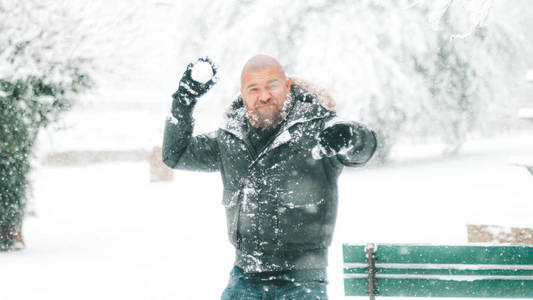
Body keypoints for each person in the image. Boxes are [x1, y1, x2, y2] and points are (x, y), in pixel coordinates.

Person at [163, 55, 377, 300]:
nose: (264, 96)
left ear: (287, 86)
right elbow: (175, 155)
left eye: (272, 86)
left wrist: (352, 136)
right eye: (253, 89)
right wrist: (184, 99)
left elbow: (364, 150)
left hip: (303, 279)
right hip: (245, 276)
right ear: (243, 94)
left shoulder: (317, 128)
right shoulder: (229, 139)